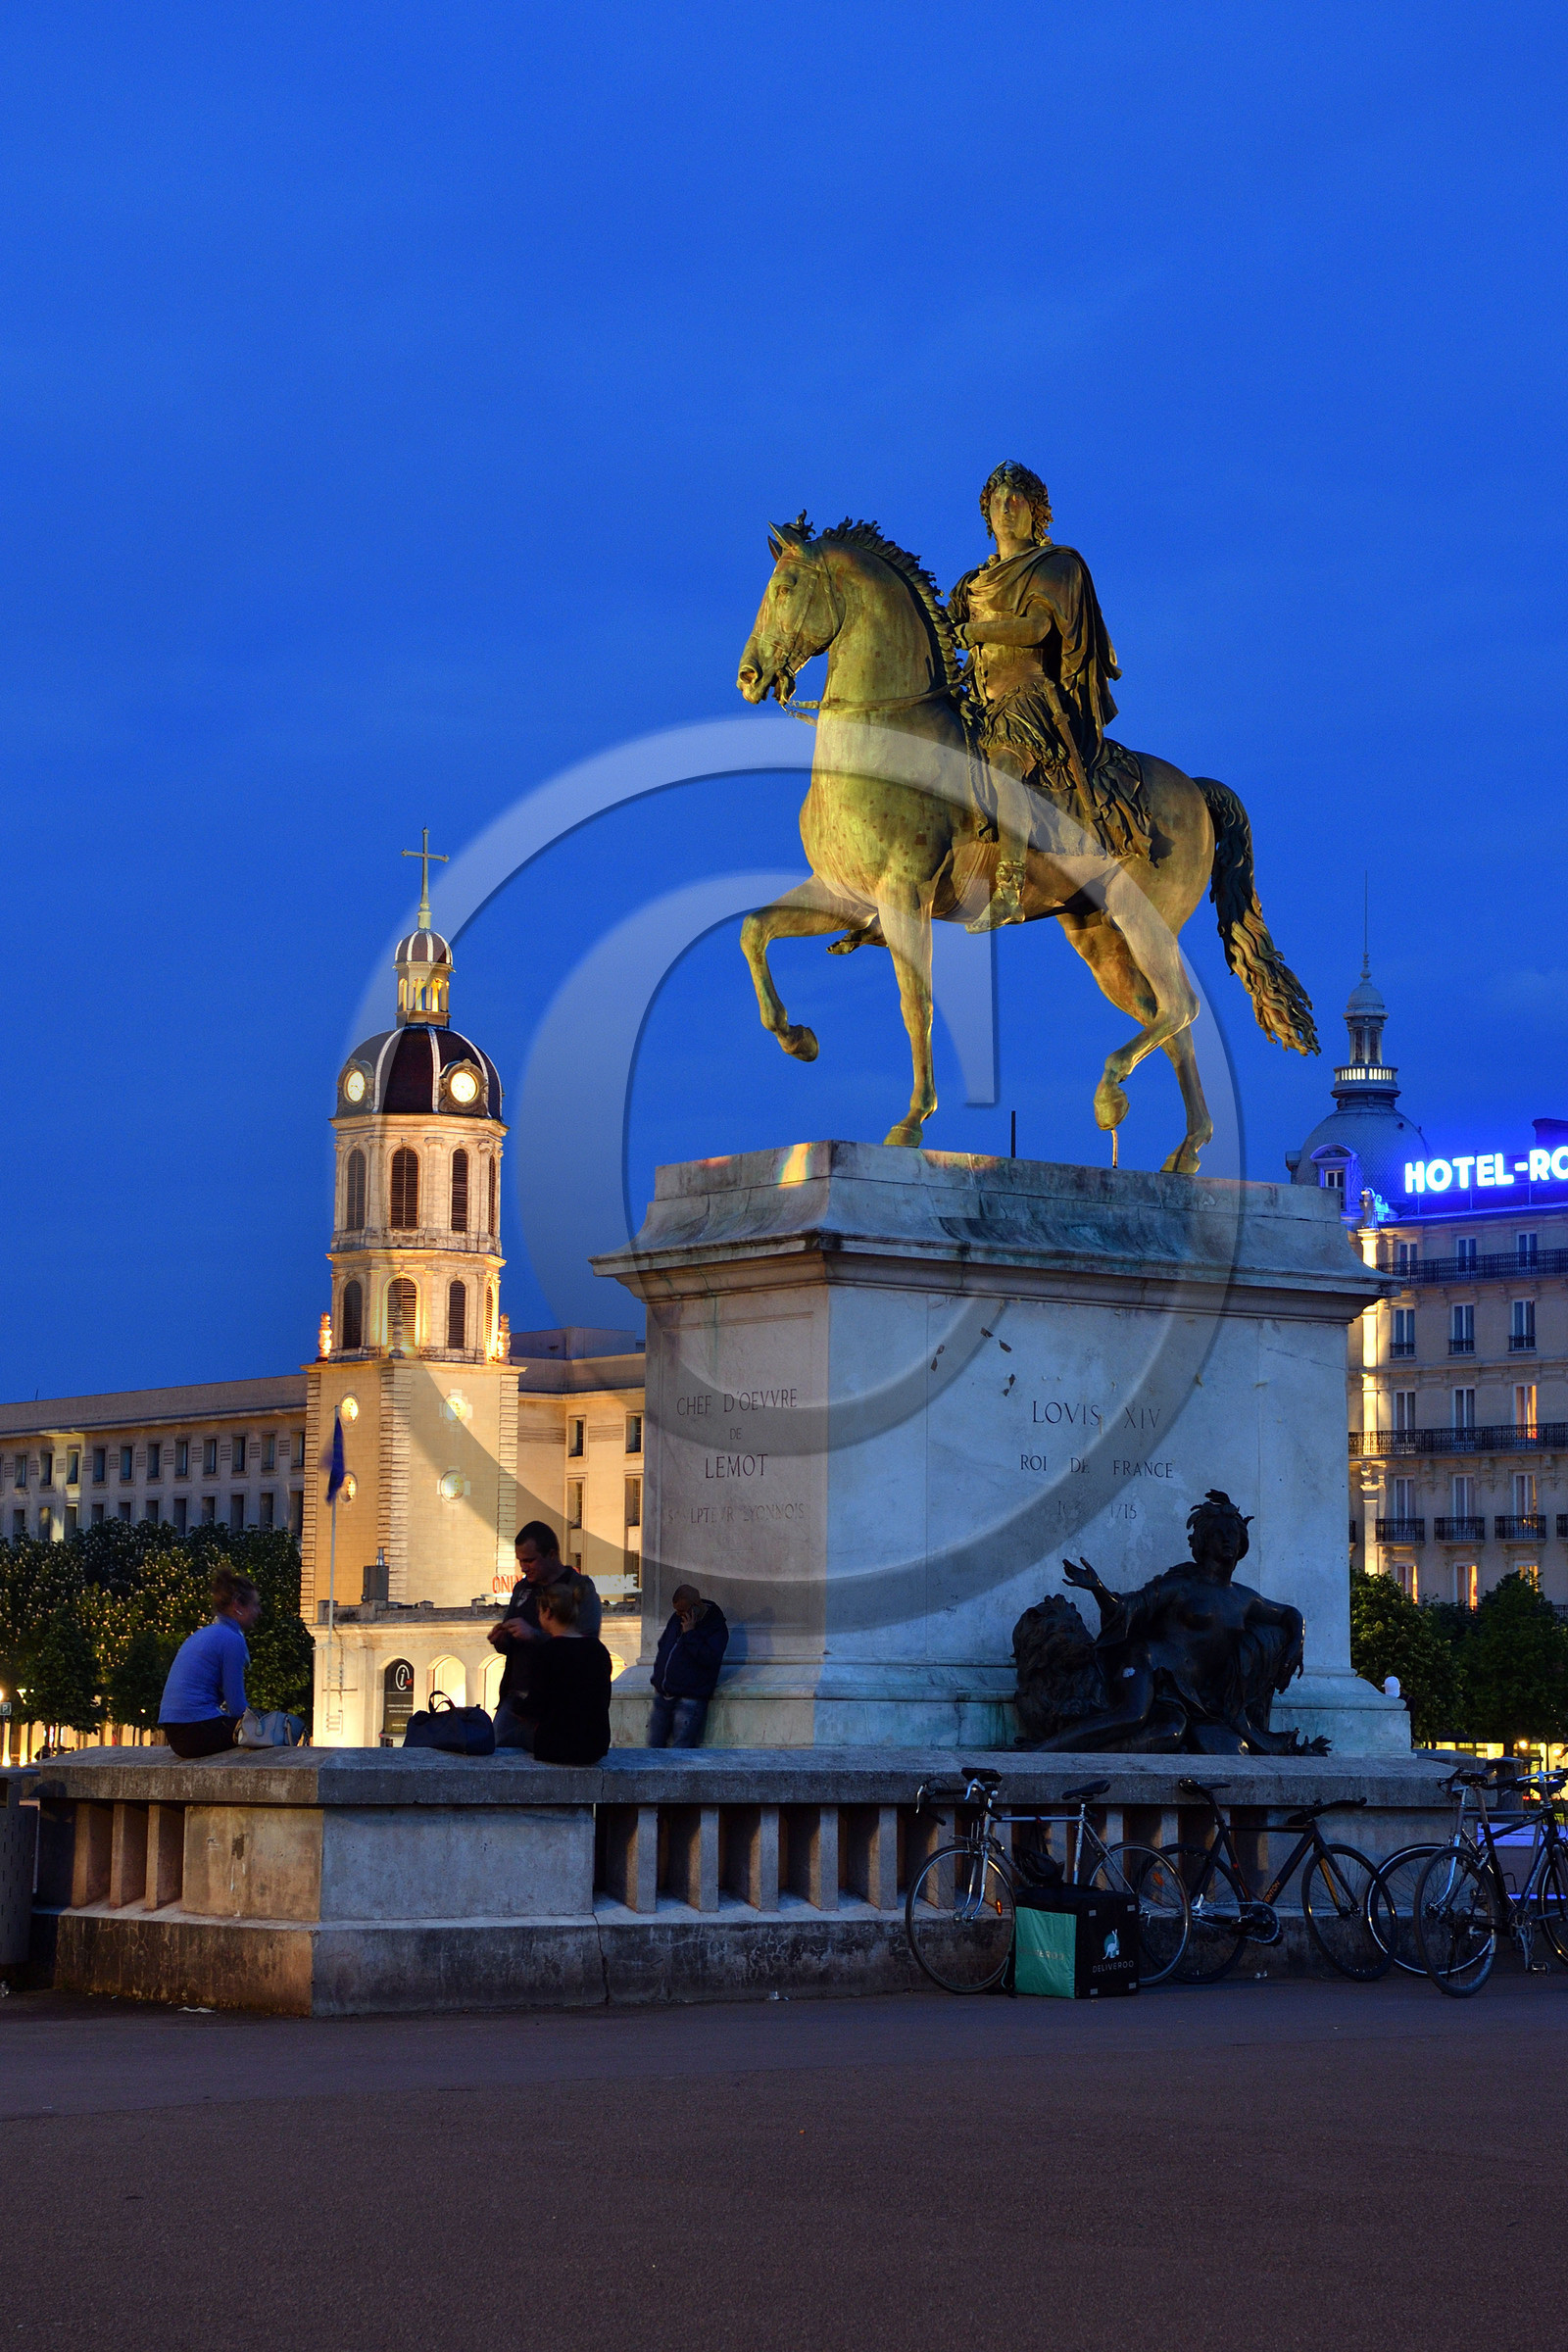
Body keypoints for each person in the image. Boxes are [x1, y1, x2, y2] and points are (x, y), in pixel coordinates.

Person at [949, 460, 1151, 931]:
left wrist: (975, 632)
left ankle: (1009, 889)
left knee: (1004, 762)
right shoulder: (972, 583)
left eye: (1016, 500)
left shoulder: (1056, 565)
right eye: (997, 501)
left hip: (1031, 694)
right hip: (979, 698)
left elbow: (1039, 627)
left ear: (1036, 511)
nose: (1006, 509)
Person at [488, 1521, 601, 1749]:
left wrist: (535, 1635)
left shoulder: (579, 1587)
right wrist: (501, 1640)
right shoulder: (522, 1588)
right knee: (496, 1756)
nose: (524, 1567)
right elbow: (510, 1641)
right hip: (515, 1698)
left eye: (529, 1560)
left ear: (551, 1555)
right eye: (520, 1561)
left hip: (554, 1701)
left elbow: (584, 1644)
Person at [158, 1568, 260, 1758]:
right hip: (198, 1730)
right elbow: (237, 1706)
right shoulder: (231, 1639)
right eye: (254, 1605)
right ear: (237, 1605)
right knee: (264, 1735)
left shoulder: (205, 1633)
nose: (257, 1611)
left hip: (176, 1732)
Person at [516, 1579, 612, 1763]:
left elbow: (536, 1704)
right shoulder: (598, 1649)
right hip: (594, 1746)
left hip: (555, 1746)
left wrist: (517, 1707)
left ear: (548, 1612)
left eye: (539, 1612)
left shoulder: (546, 1651)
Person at [647, 1584, 729, 1747]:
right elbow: (664, 1646)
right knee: (653, 1746)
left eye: (682, 1610)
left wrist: (690, 1633)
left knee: (681, 1748)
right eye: (676, 1611)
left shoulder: (715, 1627)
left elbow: (709, 1659)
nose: (679, 1615)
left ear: (696, 1606)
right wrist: (658, 1678)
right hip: (665, 1694)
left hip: (690, 1697)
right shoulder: (676, 1619)